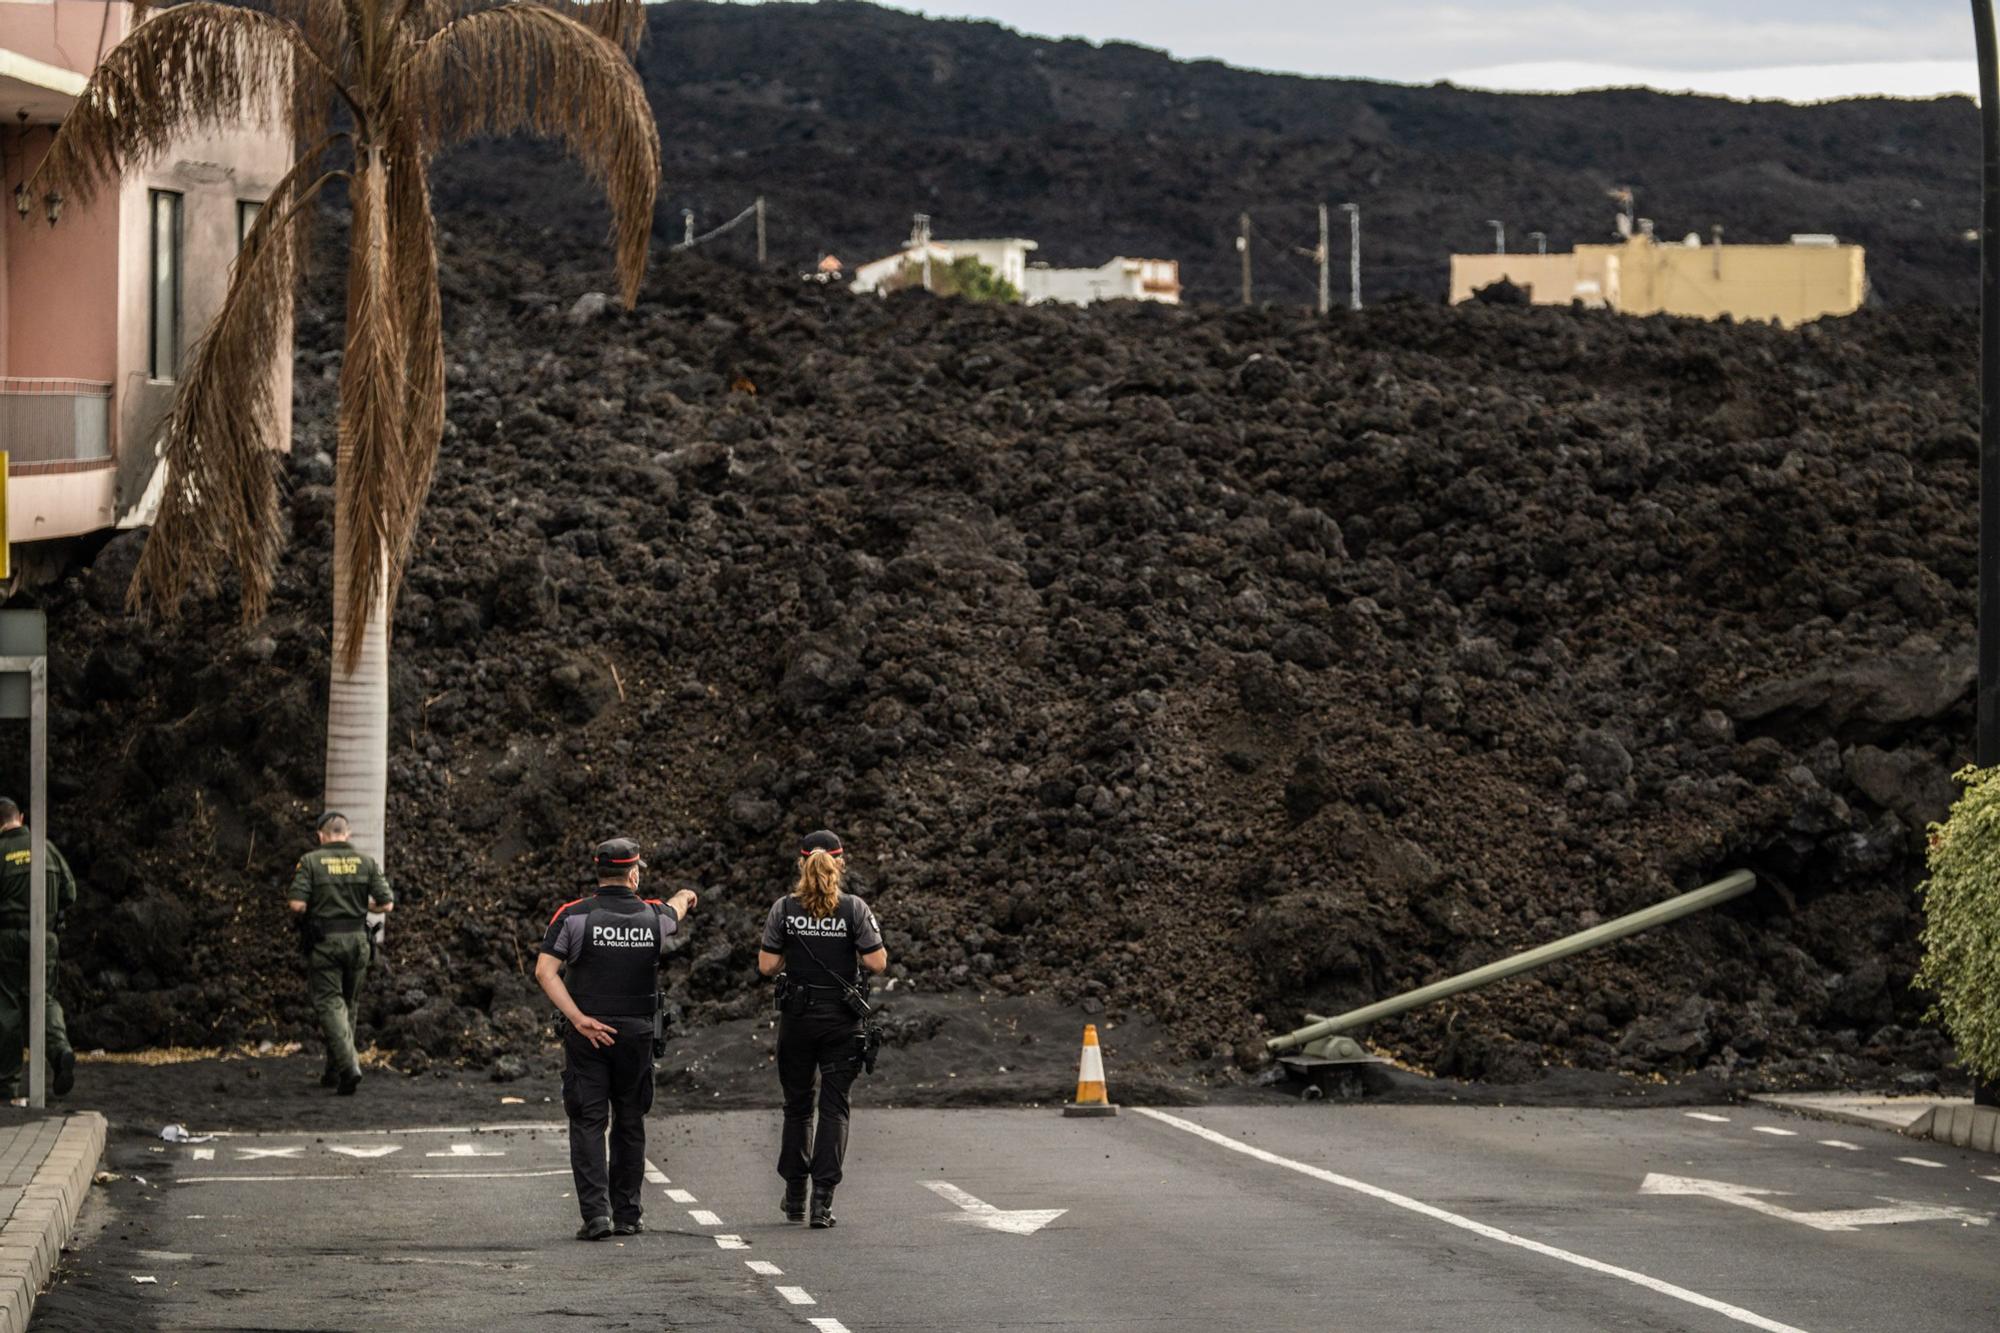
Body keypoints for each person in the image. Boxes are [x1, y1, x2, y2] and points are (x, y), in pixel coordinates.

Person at [537, 838, 697, 1242]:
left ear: (598, 872)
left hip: (587, 1035)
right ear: (633, 873)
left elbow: (545, 971)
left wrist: (579, 1019)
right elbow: (675, 910)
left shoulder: (573, 916)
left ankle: (596, 1217)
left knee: (589, 1121)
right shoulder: (654, 916)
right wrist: (685, 895)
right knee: (629, 1120)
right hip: (637, 1034)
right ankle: (627, 1214)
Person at [757, 829, 887, 1229]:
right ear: (840, 863)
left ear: (802, 864)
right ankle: (822, 1204)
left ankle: (795, 1197)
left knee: (797, 1108)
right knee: (835, 1108)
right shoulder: (854, 909)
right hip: (841, 1023)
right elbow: (877, 962)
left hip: (798, 1021)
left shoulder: (784, 909)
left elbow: (766, 965)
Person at [287, 811, 394, 1096]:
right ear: (347, 835)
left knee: (330, 1003)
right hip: (359, 941)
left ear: (321, 836)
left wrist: (320, 910)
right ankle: (334, 1072)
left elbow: (296, 904)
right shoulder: (366, 862)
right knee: (350, 1004)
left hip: (326, 943)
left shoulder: (311, 862)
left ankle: (348, 1066)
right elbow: (386, 904)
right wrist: (363, 908)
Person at [0, 797, 76, 1103]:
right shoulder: (46, 848)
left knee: (8, 1007)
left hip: (7, 939)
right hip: (44, 936)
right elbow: (70, 893)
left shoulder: (1, 852)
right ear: (21, 817)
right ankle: (60, 1053)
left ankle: (7, 1085)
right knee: (42, 999)